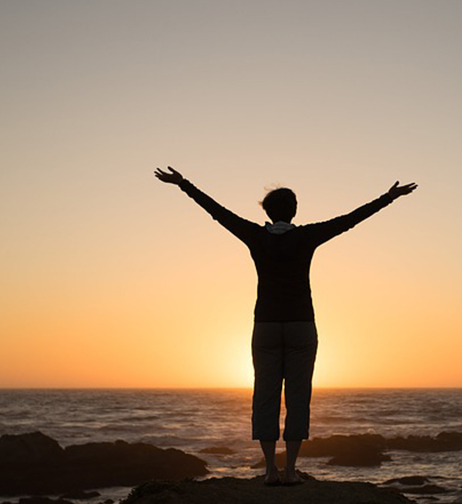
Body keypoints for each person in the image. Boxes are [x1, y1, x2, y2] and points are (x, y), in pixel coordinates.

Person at [154, 166, 417, 485]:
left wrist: (184, 184)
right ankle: (290, 470)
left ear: (267, 211)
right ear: (294, 212)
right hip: (301, 326)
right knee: (298, 396)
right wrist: (388, 198)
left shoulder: (255, 235)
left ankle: (269, 471)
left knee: (264, 395)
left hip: (265, 325)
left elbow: (217, 212)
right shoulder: (306, 236)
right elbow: (350, 220)